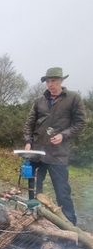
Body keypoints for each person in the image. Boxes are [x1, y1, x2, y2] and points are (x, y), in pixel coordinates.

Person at [24, 67, 86, 225]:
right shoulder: (39, 100)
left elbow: (80, 123)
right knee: (34, 189)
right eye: (48, 81)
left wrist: (64, 135)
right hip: (37, 151)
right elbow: (30, 123)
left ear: (61, 81)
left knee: (62, 191)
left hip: (57, 153)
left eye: (54, 81)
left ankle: (69, 224)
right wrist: (28, 142)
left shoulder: (73, 98)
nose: (50, 84)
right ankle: (35, 219)